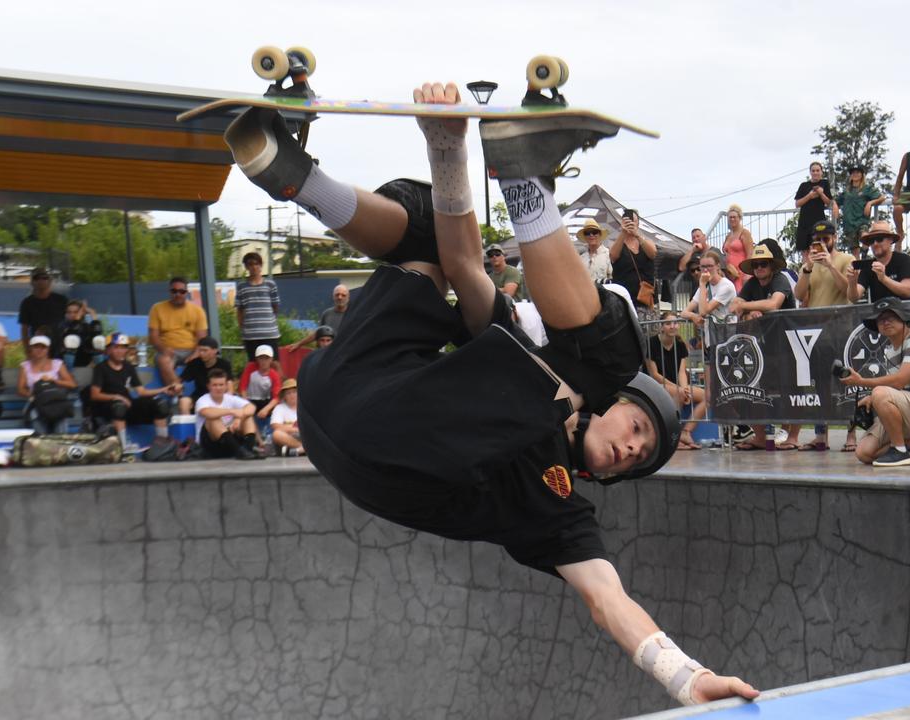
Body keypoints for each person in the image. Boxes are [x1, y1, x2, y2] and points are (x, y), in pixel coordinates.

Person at [220, 79, 755, 704]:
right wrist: (445, 150)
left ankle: (524, 178)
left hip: (387, 455)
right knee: (425, 234)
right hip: (349, 388)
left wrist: (687, 677)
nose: (630, 448)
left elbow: (609, 601)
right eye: (636, 429)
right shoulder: (521, 360)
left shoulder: (558, 517)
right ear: (616, 412)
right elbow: (466, 265)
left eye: (637, 460)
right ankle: (286, 170)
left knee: (604, 358)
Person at [839, 298, 910, 467]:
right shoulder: (889, 350)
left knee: (880, 393)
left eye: (891, 317)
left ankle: (899, 451)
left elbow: (899, 381)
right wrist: (871, 398)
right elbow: (897, 387)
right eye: (880, 319)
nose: (885, 322)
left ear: (903, 318)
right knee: (864, 453)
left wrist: (862, 382)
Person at [795, 220, 857, 452]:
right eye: (816, 241)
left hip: (841, 330)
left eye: (825, 239)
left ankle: (851, 435)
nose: (820, 244)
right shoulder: (808, 264)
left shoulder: (846, 260)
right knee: (820, 385)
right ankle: (821, 436)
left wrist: (830, 265)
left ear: (834, 238)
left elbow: (849, 292)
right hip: (817, 333)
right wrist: (808, 268)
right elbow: (799, 294)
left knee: (847, 384)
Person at [729, 245, 795, 452]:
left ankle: (791, 436)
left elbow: (774, 304)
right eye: (755, 264)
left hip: (788, 343)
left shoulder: (780, 280)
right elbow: (735, 303)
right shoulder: (751, 284)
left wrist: (749, 307)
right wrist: (750, 312)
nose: (759, 268)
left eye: (763, 264)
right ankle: (760, 436)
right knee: (753, 389)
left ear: (772, 266)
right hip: (763, 346)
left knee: (791, 389)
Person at [88, 333, 180, 452]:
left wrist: (163, 390)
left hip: (128, 405)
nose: (121, 351)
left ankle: (162, 446)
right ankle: (123, 447)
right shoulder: (100, 368)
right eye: (117, 347)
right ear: (109, 350)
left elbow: (141, 392)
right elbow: (95, 395)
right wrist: (117, 397)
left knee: (160, 405)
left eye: (124, 347)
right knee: (118, 407)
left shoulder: (128, 367)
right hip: (108, 407)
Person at [646, 312, 707, 451]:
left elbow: (681, 371)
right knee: (679, 393)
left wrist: (685, 388)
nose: (672, 326)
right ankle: (673, 435)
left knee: (706, 396)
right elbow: (654, 374)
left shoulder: (680, 344)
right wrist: (679, 389)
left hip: (676, 385)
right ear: (662, 326)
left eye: (675, 323)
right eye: (668, 324)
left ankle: (686, 432)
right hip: (657, 385)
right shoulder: (651, 343)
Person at [148, 277, 209, 386]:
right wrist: (164, 350)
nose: (178, 294)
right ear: (169, 292)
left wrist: (195, 354)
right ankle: (178, 392)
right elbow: (153, 336)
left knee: (210, 359)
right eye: (174, 291)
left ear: (187, 292)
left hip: (191, 350)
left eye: (182, 291)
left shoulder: (197, 311)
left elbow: (202, 339)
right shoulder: (157, 308)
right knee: (164, 361)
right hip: (168, 350)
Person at [194, 368, 262, 460]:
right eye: (215, 385)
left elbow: (251, 408)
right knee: (213, 419)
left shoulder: (231, 398)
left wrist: (238, 418)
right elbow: (207, 412)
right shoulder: (203, 400)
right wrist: (232, 411)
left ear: (226, 386)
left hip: (231, 440)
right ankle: (240, 451)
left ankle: (248, 450)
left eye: (221, 385)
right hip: (210, 445)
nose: (218, 388)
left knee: (248, 418)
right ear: (208, 386)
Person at [16, 334, 78, 434]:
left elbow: (72, 384)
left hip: (55, 401)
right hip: (37, 402)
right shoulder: (25, 366)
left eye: (43, 347)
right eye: (36, 347)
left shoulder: (57, 364)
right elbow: (20, 389)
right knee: (34, 414)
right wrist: (32, 395)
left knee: (61, 415)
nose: (39, 350)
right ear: (31, 349)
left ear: (48, 349)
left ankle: (60, 442)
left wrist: (54, 381)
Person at [609, 209, 658, 324]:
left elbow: (653, 253)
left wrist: (638, 235)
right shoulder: (618, 243)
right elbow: (613, 256)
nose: (631, 224)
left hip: (645, 300)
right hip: (624, 301)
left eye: (633, 221)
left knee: (648, 337)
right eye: (627, 221)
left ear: (638, 223)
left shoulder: (646, 241)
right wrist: (623, 233)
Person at [850, 220, 910, 302]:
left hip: (904, 312)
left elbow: (907, 291)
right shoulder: (868, 266)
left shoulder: (904, 260)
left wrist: (884, 278)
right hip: (880, 313)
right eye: (871, 240)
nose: (875, 244)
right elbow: (854, 298)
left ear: (891, 240)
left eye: (879, 239)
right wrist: (852, 282)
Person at [235, 252, 282, 362]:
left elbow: (275, 307)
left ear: (261, 265)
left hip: (269, 333)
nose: (254, 267)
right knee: (253, 365)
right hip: (250, 335)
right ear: (246, 267)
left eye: (256, 264)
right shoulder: (241, 286)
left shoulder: (270, 284)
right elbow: (240, 310)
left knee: (274, 364)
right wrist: (242, 329)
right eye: (250, 264)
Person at [679, 248, 735, 328]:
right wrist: (693, 316)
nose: (706, 270)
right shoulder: (705, 287)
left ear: (718, 266)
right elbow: (684, 312)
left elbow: (703, 312)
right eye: (702, 267)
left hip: (726, 331)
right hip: (711, 333)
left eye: (710, 266)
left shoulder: (726, 286)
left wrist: (702, 284)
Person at [178, 336, 233, 414]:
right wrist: (177, 385)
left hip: (219, 395)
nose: (201, 353)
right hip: (199, 395)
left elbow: (229, 385)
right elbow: (180, 379)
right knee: (184, 402)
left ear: (215, 351)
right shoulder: (194, 363)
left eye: (205, 350)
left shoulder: (224, 364)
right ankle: (189, 426)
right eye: (200, 350)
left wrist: (227, 398)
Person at [833, 164, 883, 247]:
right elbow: (836, 200)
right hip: (849, 223)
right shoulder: (847, 191)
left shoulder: (867, 188)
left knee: (865, 237)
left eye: (858, 172)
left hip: (862, 220)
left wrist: (870, 203)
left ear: (862, 175)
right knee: (854, 249)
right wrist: (835, 206)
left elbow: (881, 198)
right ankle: (858, 260)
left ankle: (864, 255)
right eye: (853, 173)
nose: (855, 174)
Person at [288, 284, 350, 350]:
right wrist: (299, 344)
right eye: (337, 295)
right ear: (333, 297)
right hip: (328, 353)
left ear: (348, 298)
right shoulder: (327, 314)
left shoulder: (353, 314)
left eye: (343, 295)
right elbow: (318, 334)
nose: (340, 297)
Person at [18, 268, 68, 349]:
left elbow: (70, 319)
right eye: (36, 278)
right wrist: (28, 351)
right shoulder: (27, 303)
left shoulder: (61, 300)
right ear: (32, 282)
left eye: (44, 278)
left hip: (60, 346)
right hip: (39, 347)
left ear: (50, 281)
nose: (41, 281)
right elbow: (24, 329)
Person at [793, 162, 832, 252]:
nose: (815, 173)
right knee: (805, 250)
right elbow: (797, 203)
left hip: (819, 222)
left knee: (819, 248)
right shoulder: (803, 185)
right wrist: (809, 196)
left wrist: (820, 193)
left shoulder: (824, 183)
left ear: (821, 172)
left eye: (817, 170)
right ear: (810, 172)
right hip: (804, 222)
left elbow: (828, 202)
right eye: (813, 171)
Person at [53, 299, 104, 368]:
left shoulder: (86, 326)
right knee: (71, 340)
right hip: (65, 362)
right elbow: (70, 336)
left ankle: (103, 372)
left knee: (98, 340)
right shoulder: (61, 326)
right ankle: (69, 375)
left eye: (75, 312)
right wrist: (77, 320)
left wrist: (94, 316)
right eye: (69, 312)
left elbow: (96, 339)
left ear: (83, 313)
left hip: (85, 361)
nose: (72, 315)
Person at [239, 345, 282, 422]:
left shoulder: (274, 375)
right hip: (249, 400)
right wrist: (246, 403)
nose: (264, 361)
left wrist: (266, 409)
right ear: (257, 359)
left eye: (266, 358)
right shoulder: (250, 368)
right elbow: (243, 388)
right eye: (261, 358)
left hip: (266, 402)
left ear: (271, 359)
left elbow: (276, 397)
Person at [720, 204, 754, 292]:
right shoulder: (728, 235)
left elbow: (750, 253)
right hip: (730, 272)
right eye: (730, 217)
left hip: (742, 271)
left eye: (734, 217)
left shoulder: (745, 233)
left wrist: (748, 273)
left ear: (739, 218)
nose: (732, 219)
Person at [270, 377, 304, 456]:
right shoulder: (279, 408)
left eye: (294, 392)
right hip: (288, 438)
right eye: (288, 393)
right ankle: (304, 449)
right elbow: (276, 426)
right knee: (276, 434)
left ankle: (298, 451)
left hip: (305, 436)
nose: (292, 395)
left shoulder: (305, 407)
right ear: (284, 396)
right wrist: (295, 428)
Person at [578, 218, 613, 283]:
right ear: (585, 236)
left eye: (594, 232)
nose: (591, 235)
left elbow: (613, 279)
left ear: (600, 234)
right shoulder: (581, 258)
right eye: (587, 233)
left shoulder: (609, 255)